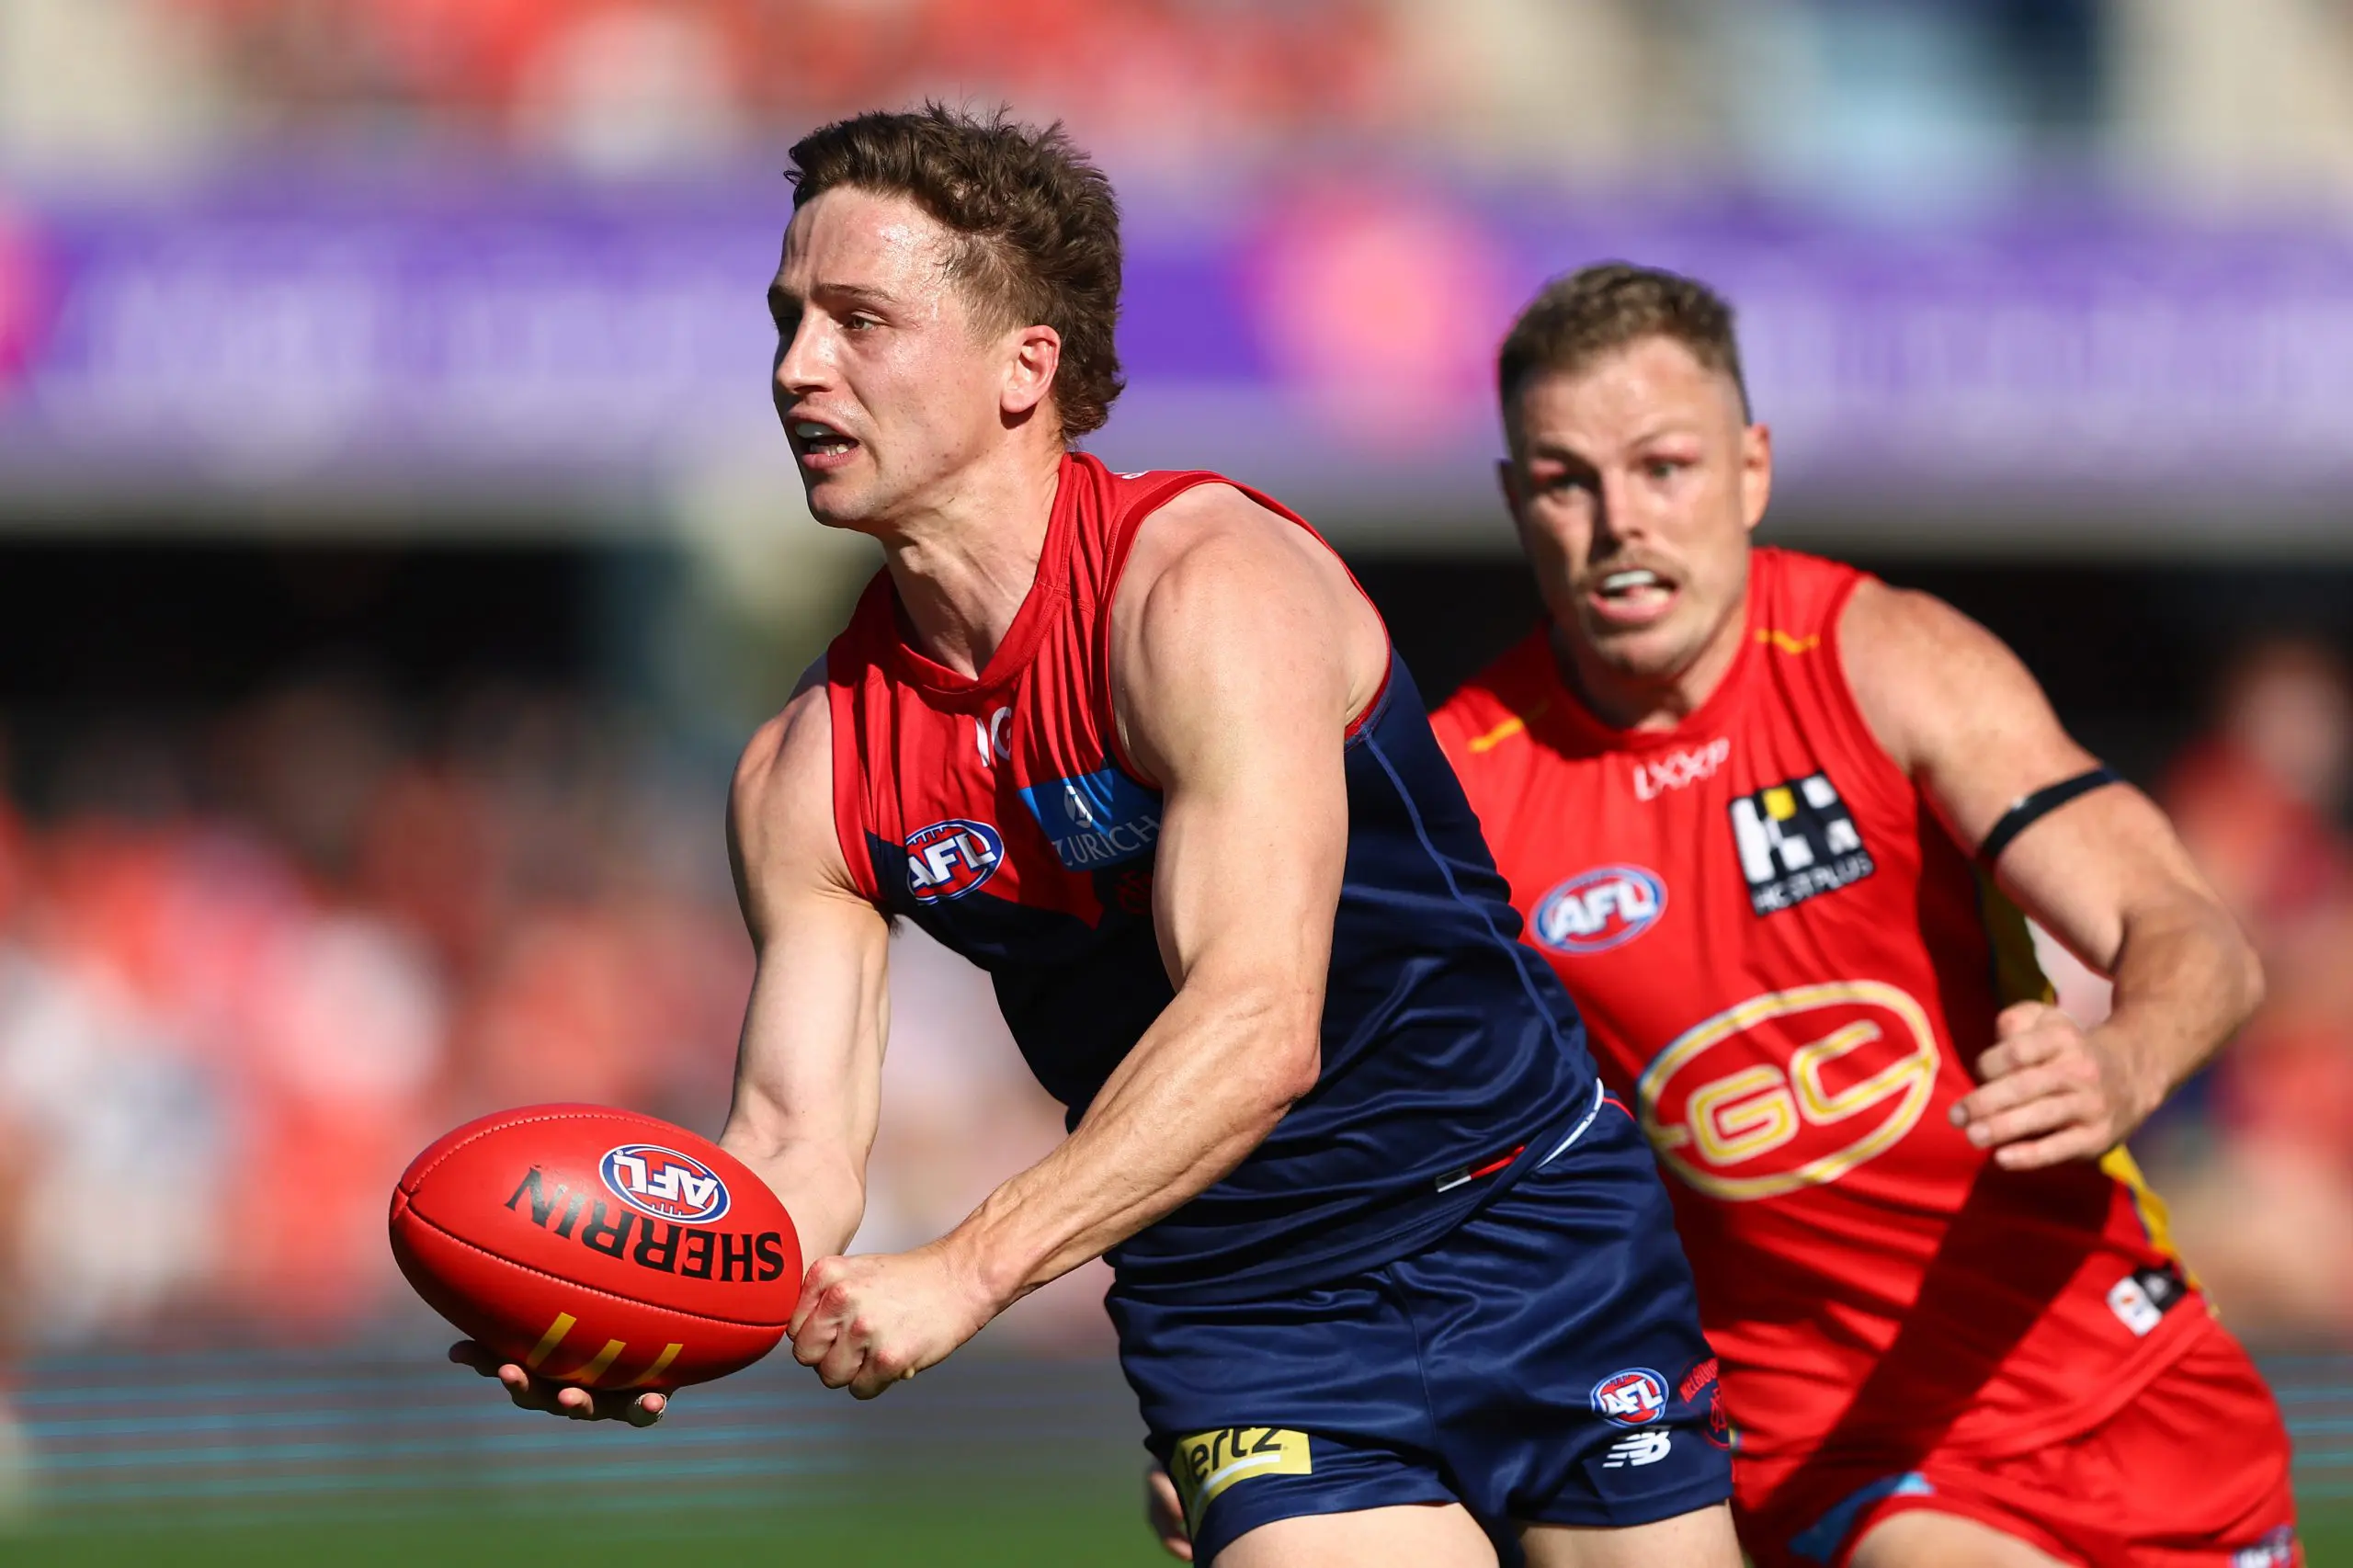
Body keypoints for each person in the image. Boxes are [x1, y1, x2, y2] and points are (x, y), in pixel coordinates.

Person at [457, 109, 1739, 1568]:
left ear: (1026, 366)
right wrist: (660, 1316)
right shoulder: (806, 767)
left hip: (1520, 1220)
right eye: (789, 320)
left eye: (860, 320)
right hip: (1247, 1306)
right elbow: (797, 1144)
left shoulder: (1203, 593)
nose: (797, 368)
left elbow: (1260, 1024)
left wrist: (969, 1267)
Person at [1419, 264, 2297, 1567]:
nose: (1619, 523)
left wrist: (2125, 1060)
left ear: (1750, 469)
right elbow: (1355, 1116)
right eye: (1566, 480)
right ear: (1513, 501)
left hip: (2120, 1376)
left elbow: (2193, 934)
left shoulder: (1882, 661)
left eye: (1664, 467)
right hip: (1821, 1449)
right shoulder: (1463, 790)